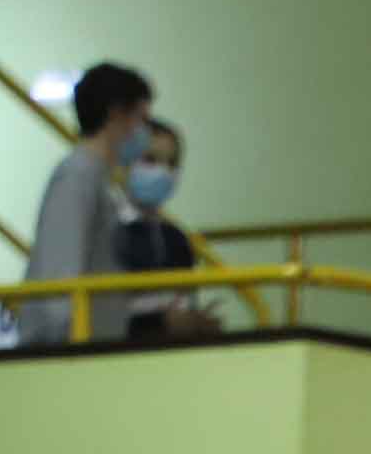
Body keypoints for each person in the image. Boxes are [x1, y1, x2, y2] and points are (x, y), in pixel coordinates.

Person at [18, 60, 151, 348]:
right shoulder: (76, 177)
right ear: (117, 115)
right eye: (141, 120)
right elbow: (59, 275)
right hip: (66, 351)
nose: (144, 135)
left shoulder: (105, 181)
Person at [112, 121, 221, 343]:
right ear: (122, 163)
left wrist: (196, 321)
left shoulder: (176, 238)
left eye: (172, 163)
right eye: (150, 160)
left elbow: (183, 302)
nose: (163, 172)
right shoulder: (106, 232)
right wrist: (160, 322)